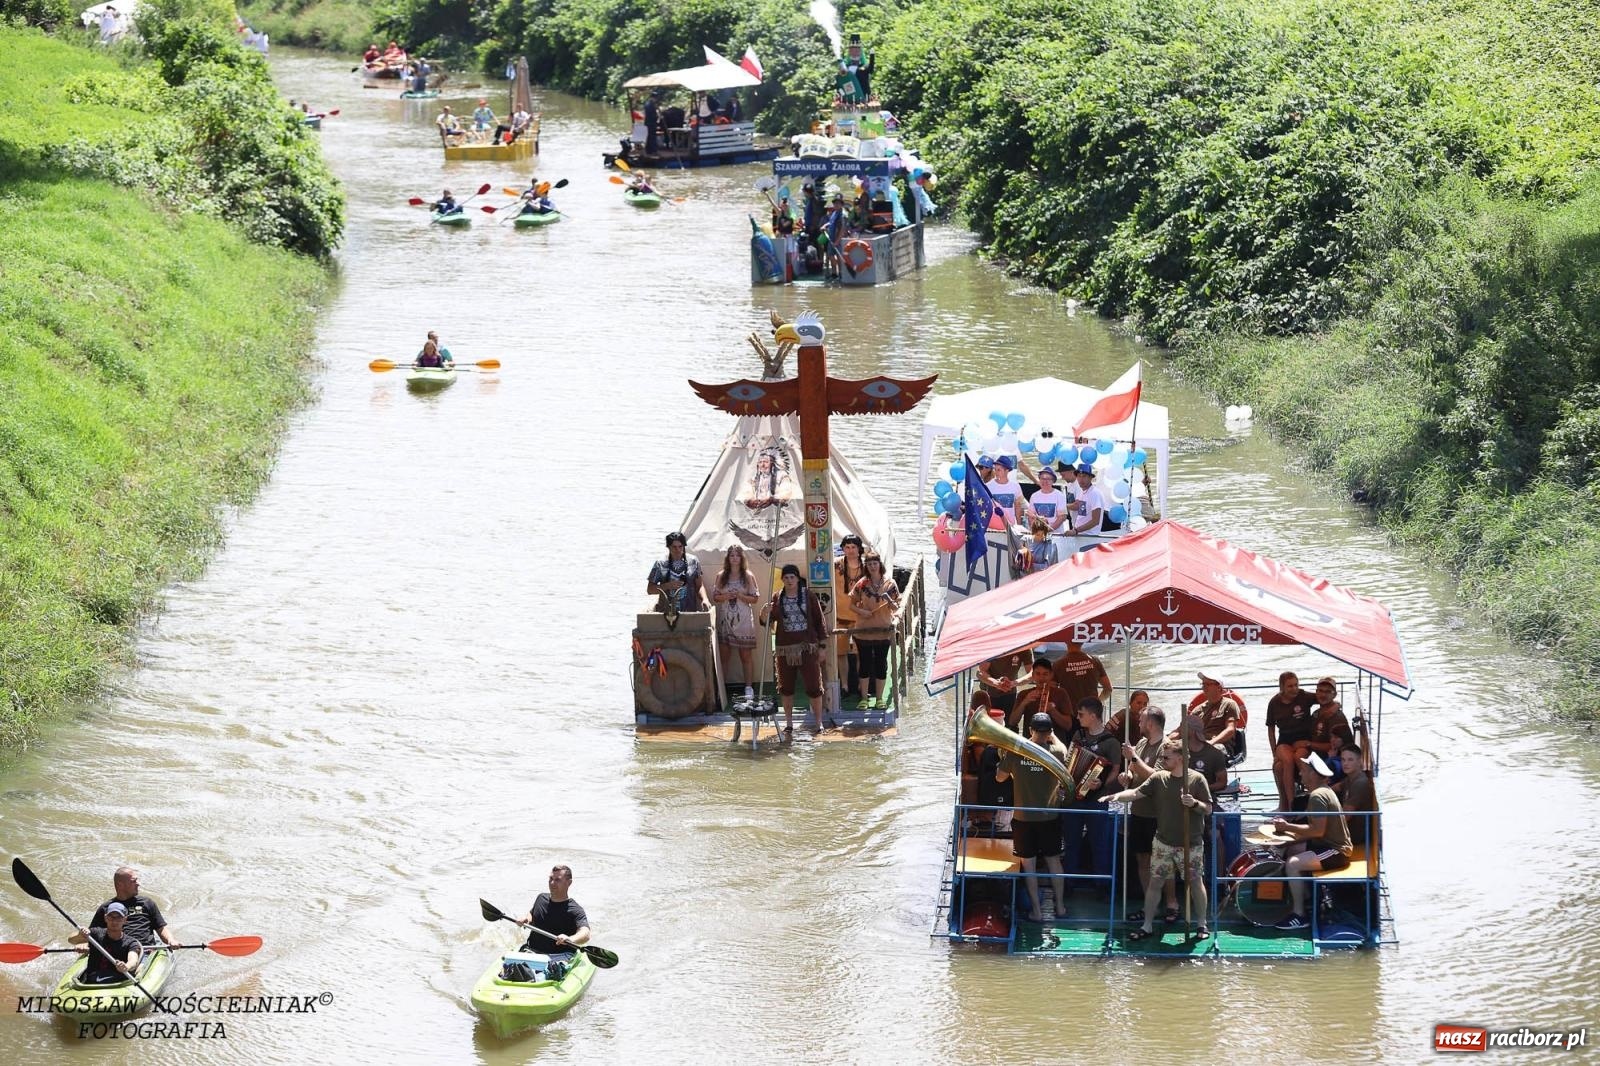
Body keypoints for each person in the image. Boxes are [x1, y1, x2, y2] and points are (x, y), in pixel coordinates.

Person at [1101, 740, 1212, 940]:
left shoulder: (1197, 780)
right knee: (1155, 883)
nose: (1162, 760)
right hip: (1163, 842)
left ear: (1180, 758)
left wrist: (1194, 803)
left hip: (1191, 843)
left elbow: (1208, 809)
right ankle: (1147, 925)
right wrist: (1116, 796)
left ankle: (1202, 924)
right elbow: (1135, 793)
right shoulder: (1159, 778)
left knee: (1195, 882)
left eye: (1166, 757)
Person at [995, 712, 1071, 921]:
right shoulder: (1057, 752)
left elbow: (999, 778)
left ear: (1030, 731)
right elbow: (1064, 749)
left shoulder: (1016, 752)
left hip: (1023, 818)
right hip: (1050, 817)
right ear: (1049, 732)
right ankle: (1061, 908)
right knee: (1054, 861)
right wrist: (1052, 737)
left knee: (1028, 865)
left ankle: (1037, 912)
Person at [1272, 752, 1354, 931]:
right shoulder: (1321, 792)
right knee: (1293, 850)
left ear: (1314, 774)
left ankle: (1299, 915)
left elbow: (1317, 830)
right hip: (1325, 844)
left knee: (1293, 864)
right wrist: (1288, 840)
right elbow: (1314, 830)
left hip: (1336, 851)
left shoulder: (1317, 796)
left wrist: (1286, 827)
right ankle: (1306, 898)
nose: (1300, 774)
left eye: (1304, 771)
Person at [1118, 706, 1178, 922]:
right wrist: (1126, 775)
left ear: (1151, 724)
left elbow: (1158, 777)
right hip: (1139, 811)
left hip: (1159, 814)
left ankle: (1171, 903)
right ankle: (1149, 904)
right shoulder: (1142, 743)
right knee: (1142, 859)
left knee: (1163, 861)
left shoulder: (1167, 747)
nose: (1139, 724)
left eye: (1141, 721)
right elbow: (1135, 771)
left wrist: (1133, 759)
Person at [758, 564, 829, 737]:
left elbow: (820, 621)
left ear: (797, 579)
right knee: (786, 688)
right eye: (786, 577)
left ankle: (818, 723)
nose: (789, 580)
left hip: (807, 647)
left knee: (814, 686)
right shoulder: (777, 598)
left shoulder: (808, 596)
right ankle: (789, 723)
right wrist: (763, 613)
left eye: (792, 577)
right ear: (782, 579)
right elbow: (766, 622)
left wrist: (822, 646)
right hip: (785, 650)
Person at [1061, 698, 1122, 887]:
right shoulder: (1078, 736)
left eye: (1081, 714)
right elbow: (1070, 763)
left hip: (1097, 800)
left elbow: (1115, 770)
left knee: (1099, 844)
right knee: (1071, 843)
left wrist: (1101, 783)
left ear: (1093, 716)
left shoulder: (1111, 742)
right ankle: (1069, 884)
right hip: (1074, 799)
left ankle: (1102, 887)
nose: (1078, 718)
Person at [849, 550, 900, 710]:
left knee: (880, 664)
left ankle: (879, 699)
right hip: (864, 630)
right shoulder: (862, 584)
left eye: (874, 563)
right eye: (869, 564)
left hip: (883, 630)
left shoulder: (890, 584)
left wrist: (889, 599)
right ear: (866, 566)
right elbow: (851, 604)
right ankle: (864, 698)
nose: (872, 566)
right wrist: (862, 611)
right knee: (864, 664)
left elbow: (896, 606)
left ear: (880, 565)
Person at [712, 545, 760, 696]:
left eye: (737, 555)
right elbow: (715, 597)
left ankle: (748, 688)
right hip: (726, 620)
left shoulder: (748, 576)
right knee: (724, 655)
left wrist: (740, 596)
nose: (734, 558)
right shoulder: (721, 576)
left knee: (745, 655)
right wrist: (727, 596)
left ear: (741, 558)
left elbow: (755, 598)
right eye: (731, 555)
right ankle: (722, 689)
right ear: (728, 558)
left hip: (744, 620)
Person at [1266, 670, 1316, 811]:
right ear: (1282, 687)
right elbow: (1270, 729)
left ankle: (1312, 799)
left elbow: (1322, 698)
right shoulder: (1274, 702)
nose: (1294, 689)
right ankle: (1290, 804)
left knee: (1298, 757)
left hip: (1302, 737)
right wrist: (1274, 753)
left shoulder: (1304, 696)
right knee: (1283, 763)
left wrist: (1335, 705)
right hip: (1285, 738)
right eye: (1290, 686)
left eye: (1296, 685)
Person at [89, 867, 176, 948]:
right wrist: (84, 944)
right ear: (120, 885)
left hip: (145, 950)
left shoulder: (147, 903)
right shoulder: (106, 908)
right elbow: (90, 934)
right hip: (117, 952)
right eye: (133, 881)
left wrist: (170, 940)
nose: (138, 884)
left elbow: (161, 928)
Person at [515, 865, 591, 956]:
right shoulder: (541, 898)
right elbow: (532, 913)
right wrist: (526, 919)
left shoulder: (575, 910)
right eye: (551, 878)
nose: (552, 883)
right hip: (531, 950)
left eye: (557, 880)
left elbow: (585, 933)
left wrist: (571, 939)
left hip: (559, 955)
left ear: (569, 883)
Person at [70, 903, 143, 984]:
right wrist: (80, 934)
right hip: (92, 980)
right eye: (111, 917)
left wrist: (126, 966)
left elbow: (133, 960)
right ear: (105, 918)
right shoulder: (95, 933)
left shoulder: (130, 942)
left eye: (118, 917)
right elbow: (71, 940)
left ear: (125, 920)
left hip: (117, 981)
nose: (114, 921)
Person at [834, 534, 866, 700]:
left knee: (861, 652)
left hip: (861, 617)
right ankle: (845, 685)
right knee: (841, 653)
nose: (850, 550)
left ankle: (862, 685)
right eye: (847, 547)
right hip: (840, 615)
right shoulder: (835, 565)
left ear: (859, 548)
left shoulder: (866, 566)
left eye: (854, 547)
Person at [1011, 656, 1072, 739]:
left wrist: (1052, 711)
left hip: (1054, 744)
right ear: (1032, 675)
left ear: (1051, 675)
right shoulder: (1024, 694)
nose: (1041, 678)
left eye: (1045, 674)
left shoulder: (1061, 693)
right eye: (1038, 674)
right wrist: (1025, 702)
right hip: (1031, 743)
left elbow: (1068, 726)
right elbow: (1012, 722)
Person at [647, 532, 707, 613]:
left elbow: (699, 586)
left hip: (689, 613)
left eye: (680, 546)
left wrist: (705, 599)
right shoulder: (660, 564)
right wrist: (667, 586)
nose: (678, 550)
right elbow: (650, 590)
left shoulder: (693, 561)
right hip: (666, 614)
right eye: (674, 547)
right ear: (668, 547)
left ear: (684, 546)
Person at [1051, 639, 1112, 716]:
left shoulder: (1058, 664)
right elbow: (1108, 688)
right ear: (1083, 641)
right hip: (1092, 711)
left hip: (1070, 712)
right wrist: (1098, 701)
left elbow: (1051, 691)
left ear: (1066, 641)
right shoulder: (1094, 661)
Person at [1191, 672, 1242, 755]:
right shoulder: (1197, 710)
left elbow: (1230, 729)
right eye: (1203, 684)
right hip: (1200, 744)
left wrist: (1211, 742)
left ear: (1219, 687)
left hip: (1220, 744)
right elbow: (1183, 730)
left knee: (1211, 751)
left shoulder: (1229, 704)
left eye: (1208, 684)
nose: (1204, 686)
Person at [1336, 745, 1376, 848]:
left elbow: (1345, 817)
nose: (1345, 763)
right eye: (1343, 760)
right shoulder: (1349, 779)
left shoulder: (1360, 783)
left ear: (1359, 761)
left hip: (1354, 835)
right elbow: (1333, 789)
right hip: (1347, 832)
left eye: (1350, 760)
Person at [1181, 713, 1230, 795]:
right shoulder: (1178, 750)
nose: (1180, 730)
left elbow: (1222, 783)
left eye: (1183, 727)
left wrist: (1201, 788)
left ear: (1193, 731)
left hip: (1205, 796)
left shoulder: (1215, 754)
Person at [1308, 677, 1353, 766]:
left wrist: (1308, 744)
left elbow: (1335, 746)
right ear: (1316, 692)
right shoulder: (1315, 713)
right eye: (1320, 691)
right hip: (1315, 755)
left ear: (1334, 695)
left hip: (1332, 760)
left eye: (1328, 692)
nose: (1323, 695)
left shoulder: (1336, 717)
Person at [977, 650, 1026, 721]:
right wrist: (996, 683)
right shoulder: (993, 646)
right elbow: (979, 672)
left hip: (1011, 692)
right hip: (989, 691)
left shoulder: (1025, 647)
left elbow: (1032, 672)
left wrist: (1013, 683)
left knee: (1010, 724)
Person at [1025, 465, 1070, 532]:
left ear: (1053, 481)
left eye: (1048, 479)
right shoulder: (1034, 496)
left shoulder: (1060, 496)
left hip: (1056, 534)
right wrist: (1035, 530)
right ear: (1039, 479)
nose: (1045, 481)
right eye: (1042, 478)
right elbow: (1030, 516)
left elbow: (1062, 517)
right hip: (1038, 533)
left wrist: (1048, 530)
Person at [1067, 465, 1108, 536]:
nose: (1081, 479)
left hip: (1089, 537)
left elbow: (1095, 521)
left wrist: (1076, 530)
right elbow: (1078, 507)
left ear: (1090, 478)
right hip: (1081, 535)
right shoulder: (1082, 492)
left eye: (1084, 476)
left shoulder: (1095, 493)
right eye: (1079, 476)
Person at [986, 455, 1025, 525]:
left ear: (1007, 470)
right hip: (993, 526)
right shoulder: (988, 486)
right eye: (995, 469)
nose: (996, 472)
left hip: (1010, 525)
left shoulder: (1015, 486)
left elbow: (1018, 507)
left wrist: (1019, 526)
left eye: (999, 470)